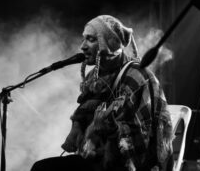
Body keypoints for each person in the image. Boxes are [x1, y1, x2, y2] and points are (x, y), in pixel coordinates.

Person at [30, 15, 174, 171]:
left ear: (109, 43)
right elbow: (84, 109)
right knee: (41, 168)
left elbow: (141, 136)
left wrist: (109, 129)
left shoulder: (137, 76)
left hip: (129, 163)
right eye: (84, 39)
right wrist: (77, 128)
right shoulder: (95, 76)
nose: (83, 46)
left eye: (91, 39)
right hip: (98, 160)